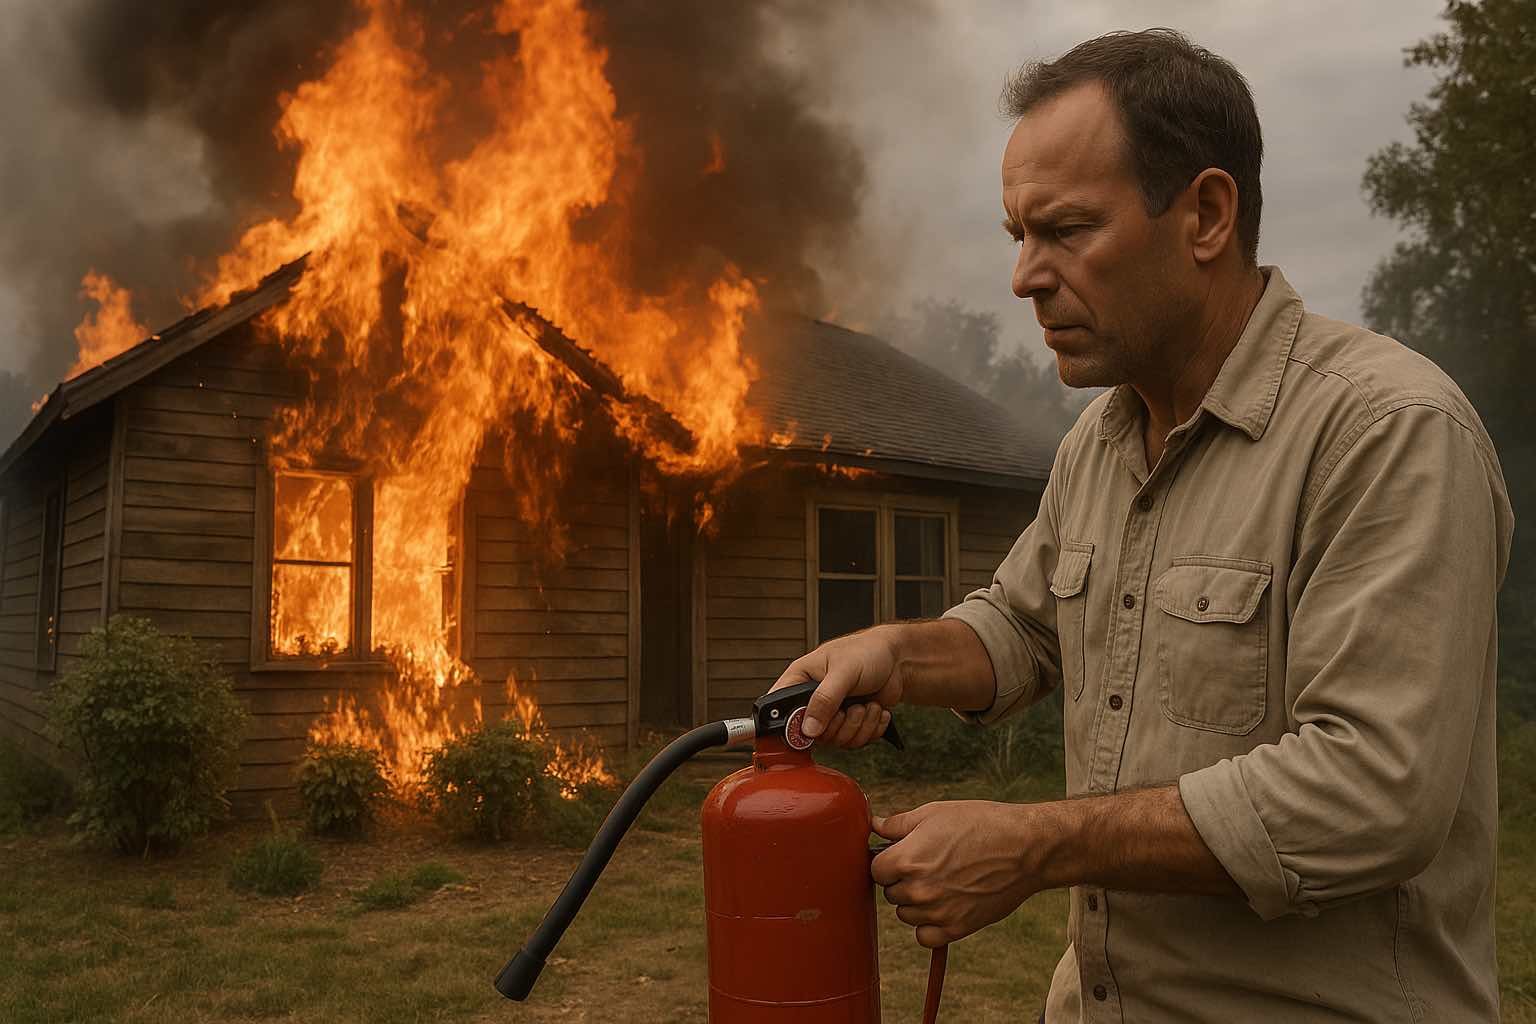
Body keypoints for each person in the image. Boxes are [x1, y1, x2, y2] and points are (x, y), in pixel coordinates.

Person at [770, 28, 1512, 1022]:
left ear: (1206, 213)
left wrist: (1033, 844)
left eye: (1066, 230)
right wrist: (897, 651)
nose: (1025, 276)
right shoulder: (1102, 439)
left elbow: (1372, 792)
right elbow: (1023, 627)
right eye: (1016, 235)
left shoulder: (1388, 430)